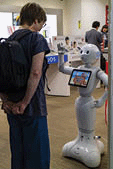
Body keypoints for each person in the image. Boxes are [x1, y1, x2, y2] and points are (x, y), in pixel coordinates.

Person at [0, 3, 50, 169]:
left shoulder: (8, 40)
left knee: (18, 151)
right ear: (35, 20)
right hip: (33, 106)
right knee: (37, 154)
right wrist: (25, 102)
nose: (42, 27)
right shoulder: (37, 39)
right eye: (42, 23)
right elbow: (36, 73)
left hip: (11, 105)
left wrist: (5, 101)